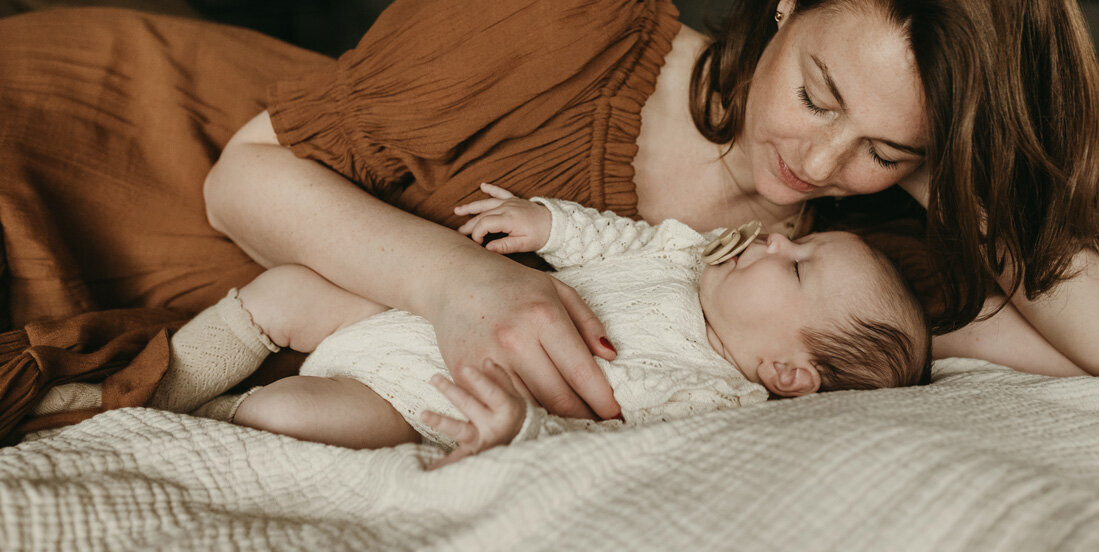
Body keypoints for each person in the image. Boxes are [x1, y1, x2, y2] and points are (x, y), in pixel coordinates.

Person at [1, 0, 1099, 440]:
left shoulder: (850, 270)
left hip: (251, 310)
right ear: (782, 3)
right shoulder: (574, 20)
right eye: (820, 91)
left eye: (887, 144)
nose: (818, 157)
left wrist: (967, 174)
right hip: (116, 135)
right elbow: (242, 179)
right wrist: (462, 280)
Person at [128, 184, 928, 464]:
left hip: (428, 395)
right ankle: (144, 394)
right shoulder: (686, 256)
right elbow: (612, 238)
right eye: (800, 236)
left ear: (786, 371)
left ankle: (208, 422)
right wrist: (545, 223)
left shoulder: (711, 400)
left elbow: (611, 446)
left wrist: (520, 432)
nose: (778, 239)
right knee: (288, 287)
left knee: (287, 414)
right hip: (422, 316)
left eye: (796, 265)